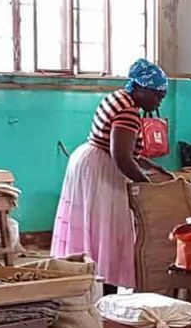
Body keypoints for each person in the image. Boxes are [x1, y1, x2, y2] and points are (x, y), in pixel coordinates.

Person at [52, 58, 174, 290]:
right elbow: (122, 157)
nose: (159, 101)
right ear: (140, 88)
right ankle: (106, 289)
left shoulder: (119, 97)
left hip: (90, 161)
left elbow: (126, 150)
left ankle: (87, 282)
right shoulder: (128, 111)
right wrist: (147, 186)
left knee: (92, 227)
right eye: (157, 95)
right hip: (102, 170)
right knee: (109, 229)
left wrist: (153, 167)